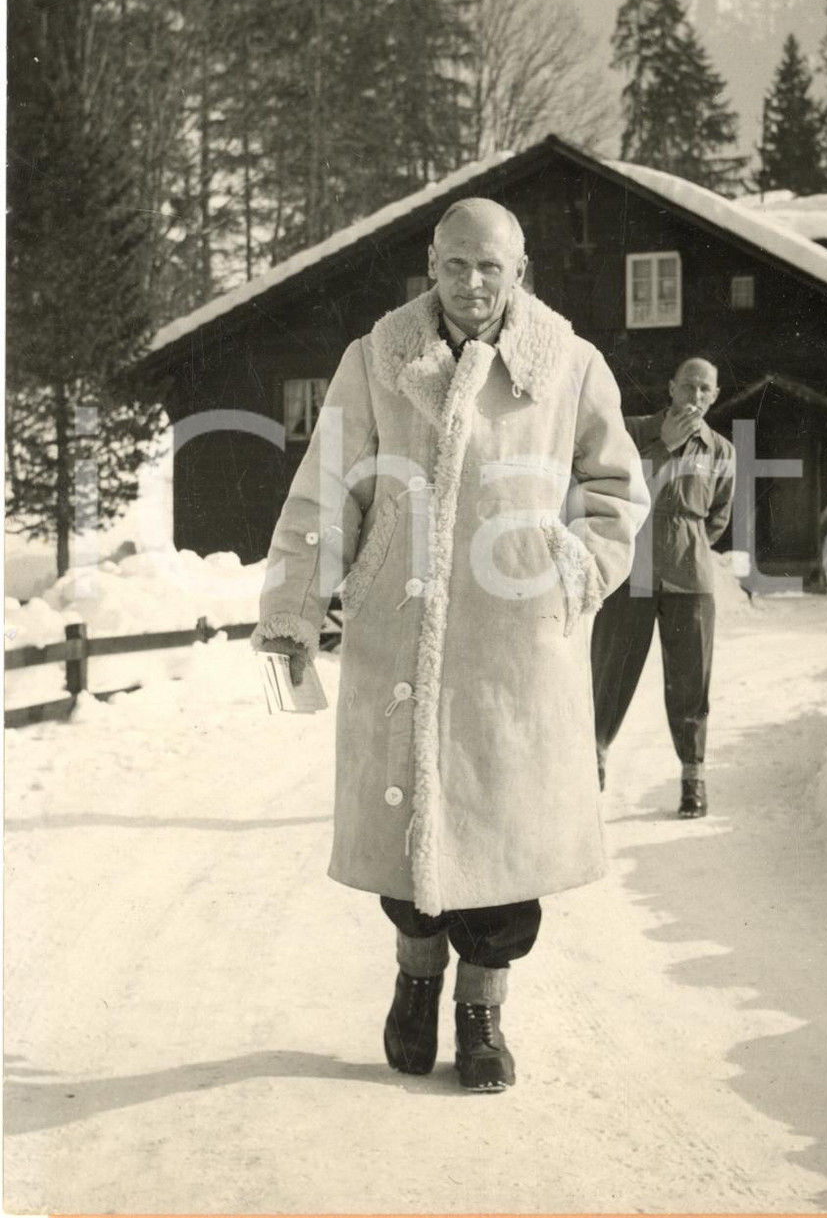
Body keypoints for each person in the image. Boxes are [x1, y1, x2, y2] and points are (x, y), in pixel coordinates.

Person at [253, 198, 648, 1092]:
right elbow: (328, 490)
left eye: (492, 267)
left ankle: (482, 1016)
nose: (474, 284)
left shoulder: (571, 367)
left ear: (521, 273)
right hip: (401, 634)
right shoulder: (376, 361)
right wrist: (293, 608)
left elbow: (617, 489)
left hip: (518, 645)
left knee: (508, 853)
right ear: (431, 267)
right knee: (406, 833)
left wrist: (567, 566)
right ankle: (413, 981)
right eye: (458, 264)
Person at [590, 357, 735, 817]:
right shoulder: (632, 431)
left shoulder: (721, 450)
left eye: (705, 390)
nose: (695, 396)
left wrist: (685, 543)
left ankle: (693, 777)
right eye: (688, 386)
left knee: (692, 680)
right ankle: (591, 760)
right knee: (611, 670)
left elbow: (718, 517)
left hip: (690, 573)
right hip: (632, 568)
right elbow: (614, 490)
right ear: (670, 387)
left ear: (714, 396)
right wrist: (663, 448)